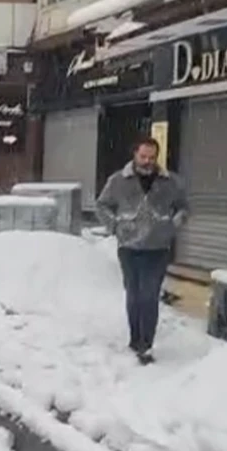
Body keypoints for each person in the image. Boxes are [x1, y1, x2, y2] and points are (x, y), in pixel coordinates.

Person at [96, 137, 189, 365]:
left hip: (157, 249)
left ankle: (146, 344)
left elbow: (184, 208)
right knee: (134, 295)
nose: (147, 161)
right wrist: (115, 226)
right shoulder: (119, 181)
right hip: (129, 248)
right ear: (134, 155)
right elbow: (102, 205)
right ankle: (134, 338)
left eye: (151, 157)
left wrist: (171, 225)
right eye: (143, 156)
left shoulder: (170, 182)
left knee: (149, 296)